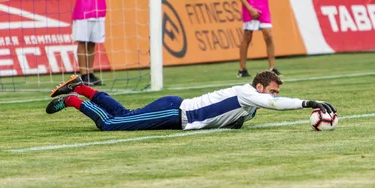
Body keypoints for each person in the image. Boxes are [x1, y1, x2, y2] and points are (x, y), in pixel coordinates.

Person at [46, 71, 337, 132]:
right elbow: (276, 104)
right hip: (176, 113)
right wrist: (307, 102)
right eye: (271, 90)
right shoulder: (248, 91)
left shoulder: (250, 110)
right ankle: (74, 100)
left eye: (274, 92)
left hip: (176, 110)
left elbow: (232, 121)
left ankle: (82, 88)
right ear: (259, 86)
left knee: (124, 114)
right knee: (112, 125)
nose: (271, 96)